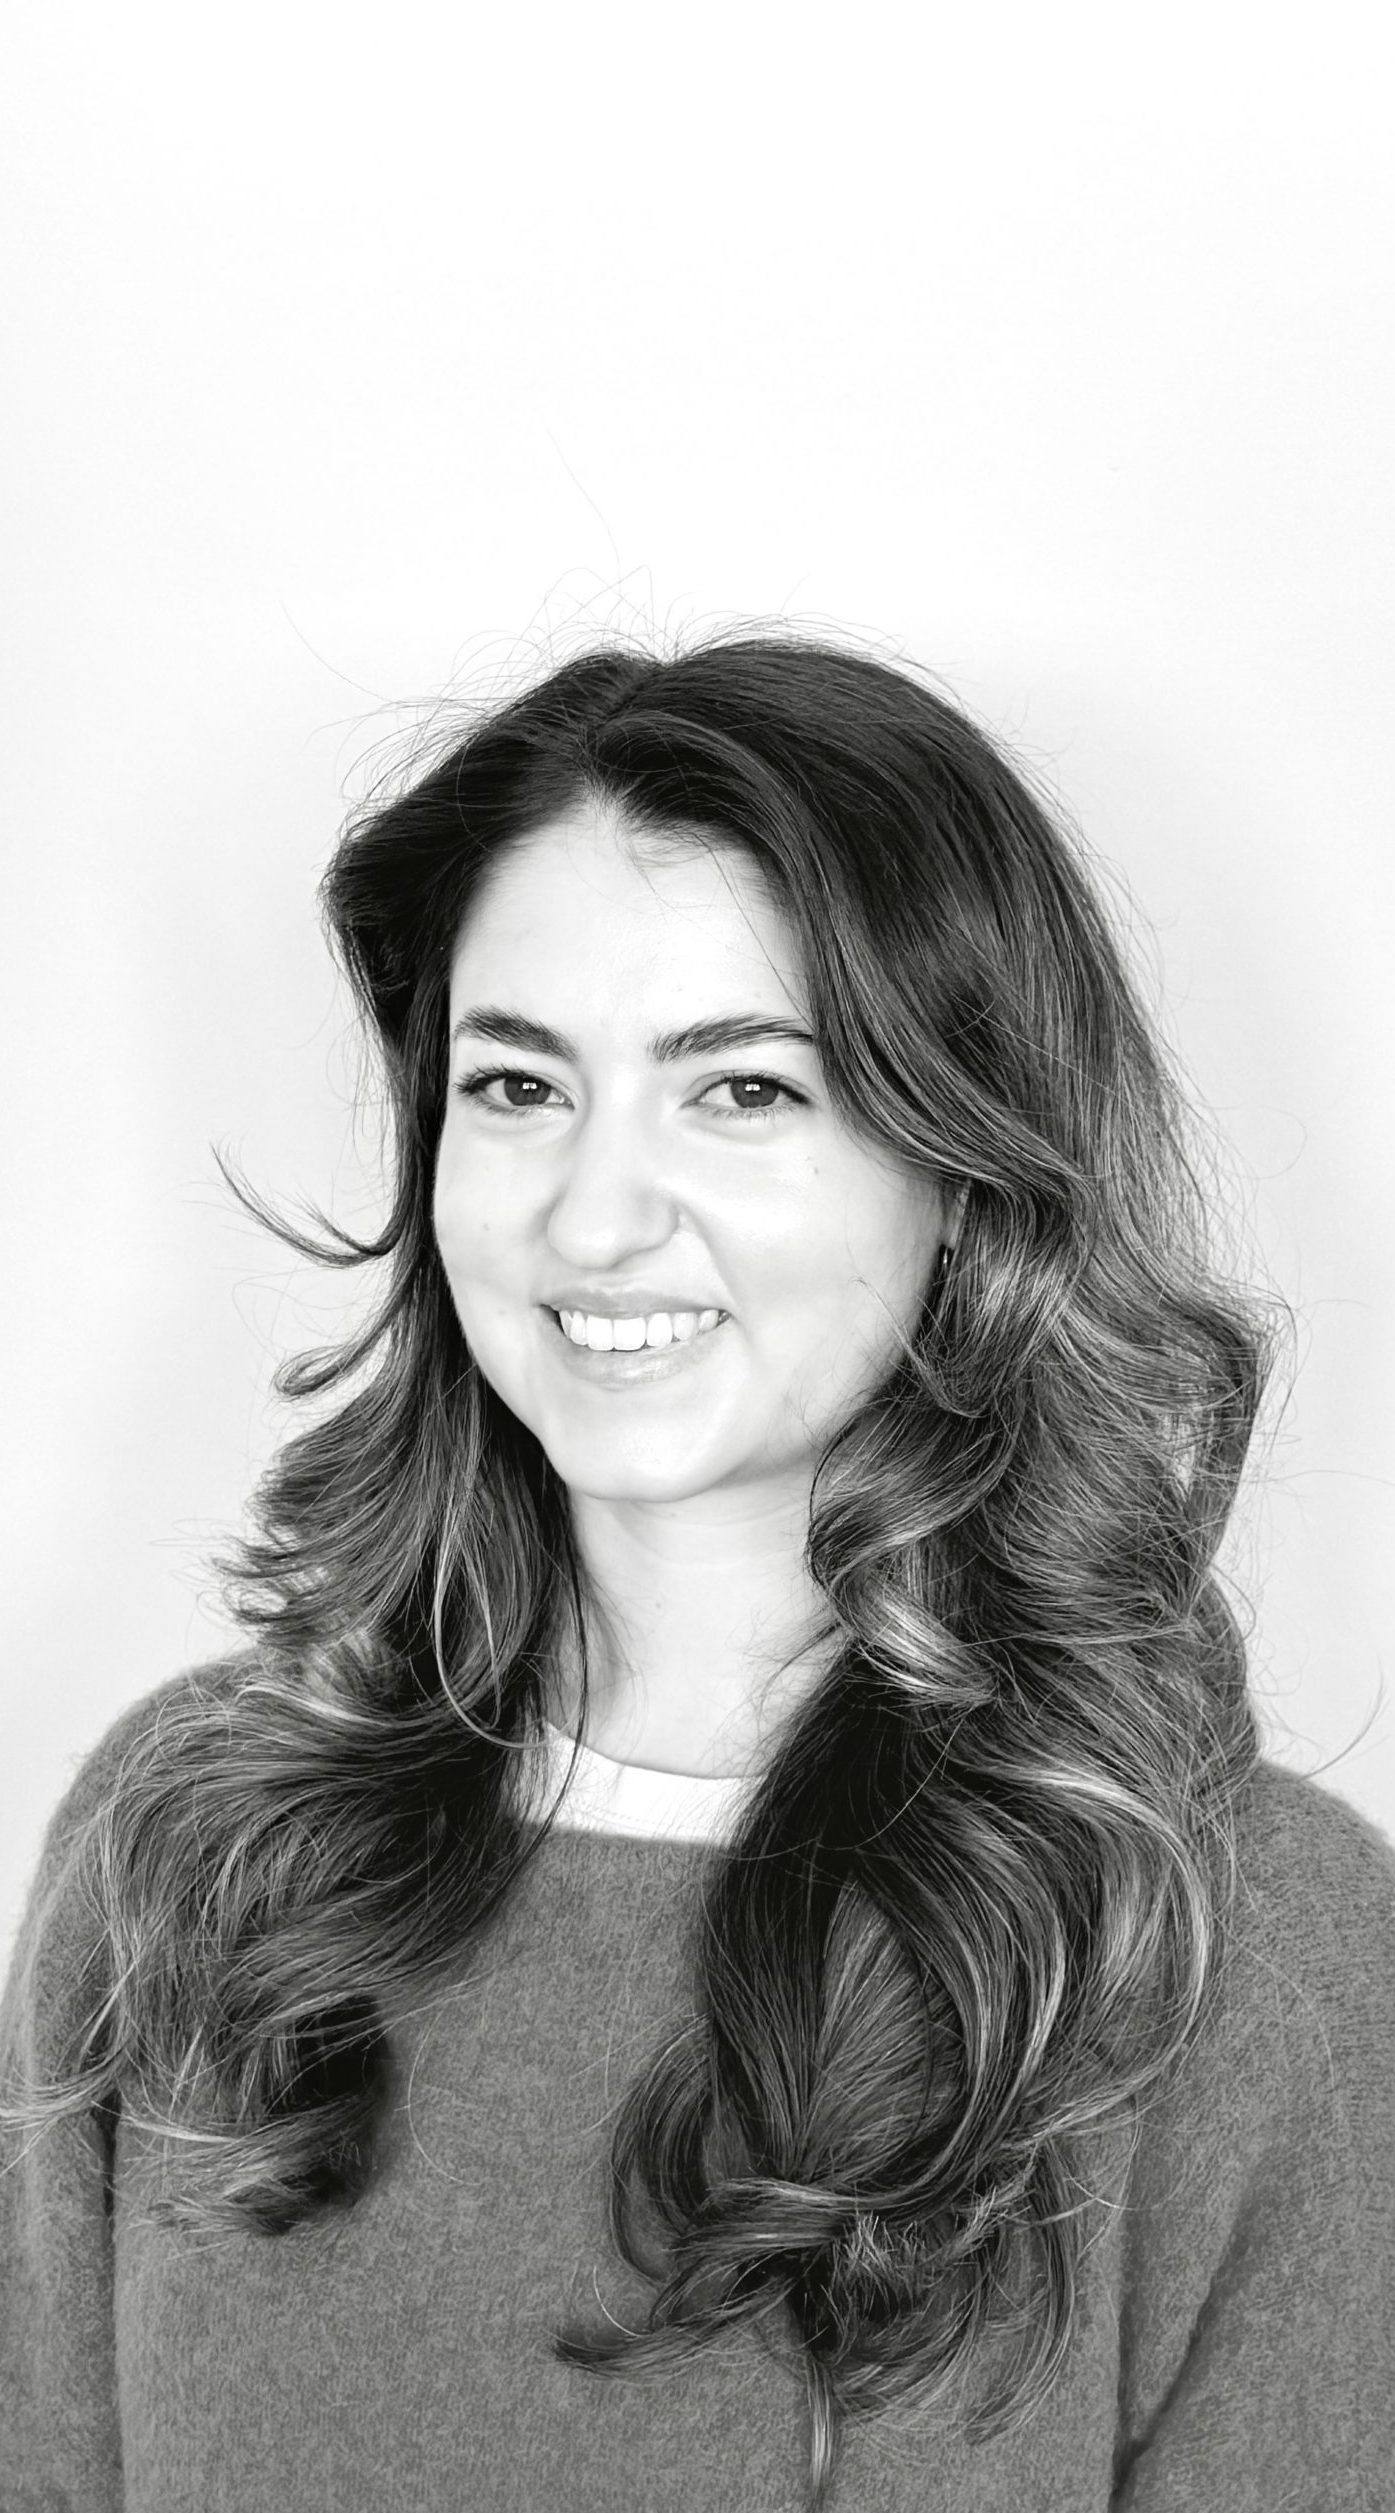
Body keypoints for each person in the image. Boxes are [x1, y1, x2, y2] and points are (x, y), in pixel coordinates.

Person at [2, 629, 1392, 2513]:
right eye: (517, 1085)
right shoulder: (192, 1842)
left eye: (741, 1090)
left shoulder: (1247, 1950)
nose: (594, 1214)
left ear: (965, 1164)